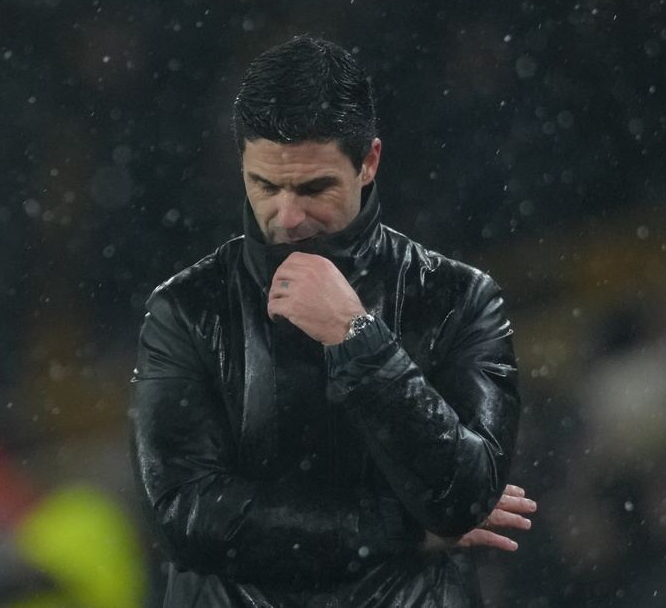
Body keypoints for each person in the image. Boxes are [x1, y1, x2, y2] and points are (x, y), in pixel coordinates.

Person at [130, 35, 531, 607]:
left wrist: (358, 336)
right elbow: (184, 517)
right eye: (264, 185)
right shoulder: (186, 309)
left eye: (314, 187)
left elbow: (463, 500)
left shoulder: (459, 299)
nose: (286, 217)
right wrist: (407, 530)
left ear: (369, 162)